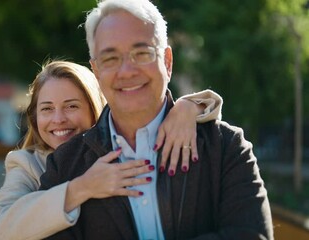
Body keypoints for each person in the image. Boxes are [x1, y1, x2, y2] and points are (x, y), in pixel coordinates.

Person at [39, 0, 273, 239]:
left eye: (142, 53)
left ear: (167, 61)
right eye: (110, 59)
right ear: (96, 71)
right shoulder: (65, 167)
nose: (127, 71)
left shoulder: (225, 148)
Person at [0, 60, 223, 240]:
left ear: (94, 108)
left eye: (71, 106)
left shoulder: (122, 147)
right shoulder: (27, 164)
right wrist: (81, 188)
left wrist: (187, 107)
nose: (58, 119)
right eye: (47, 109)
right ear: (34, 118)